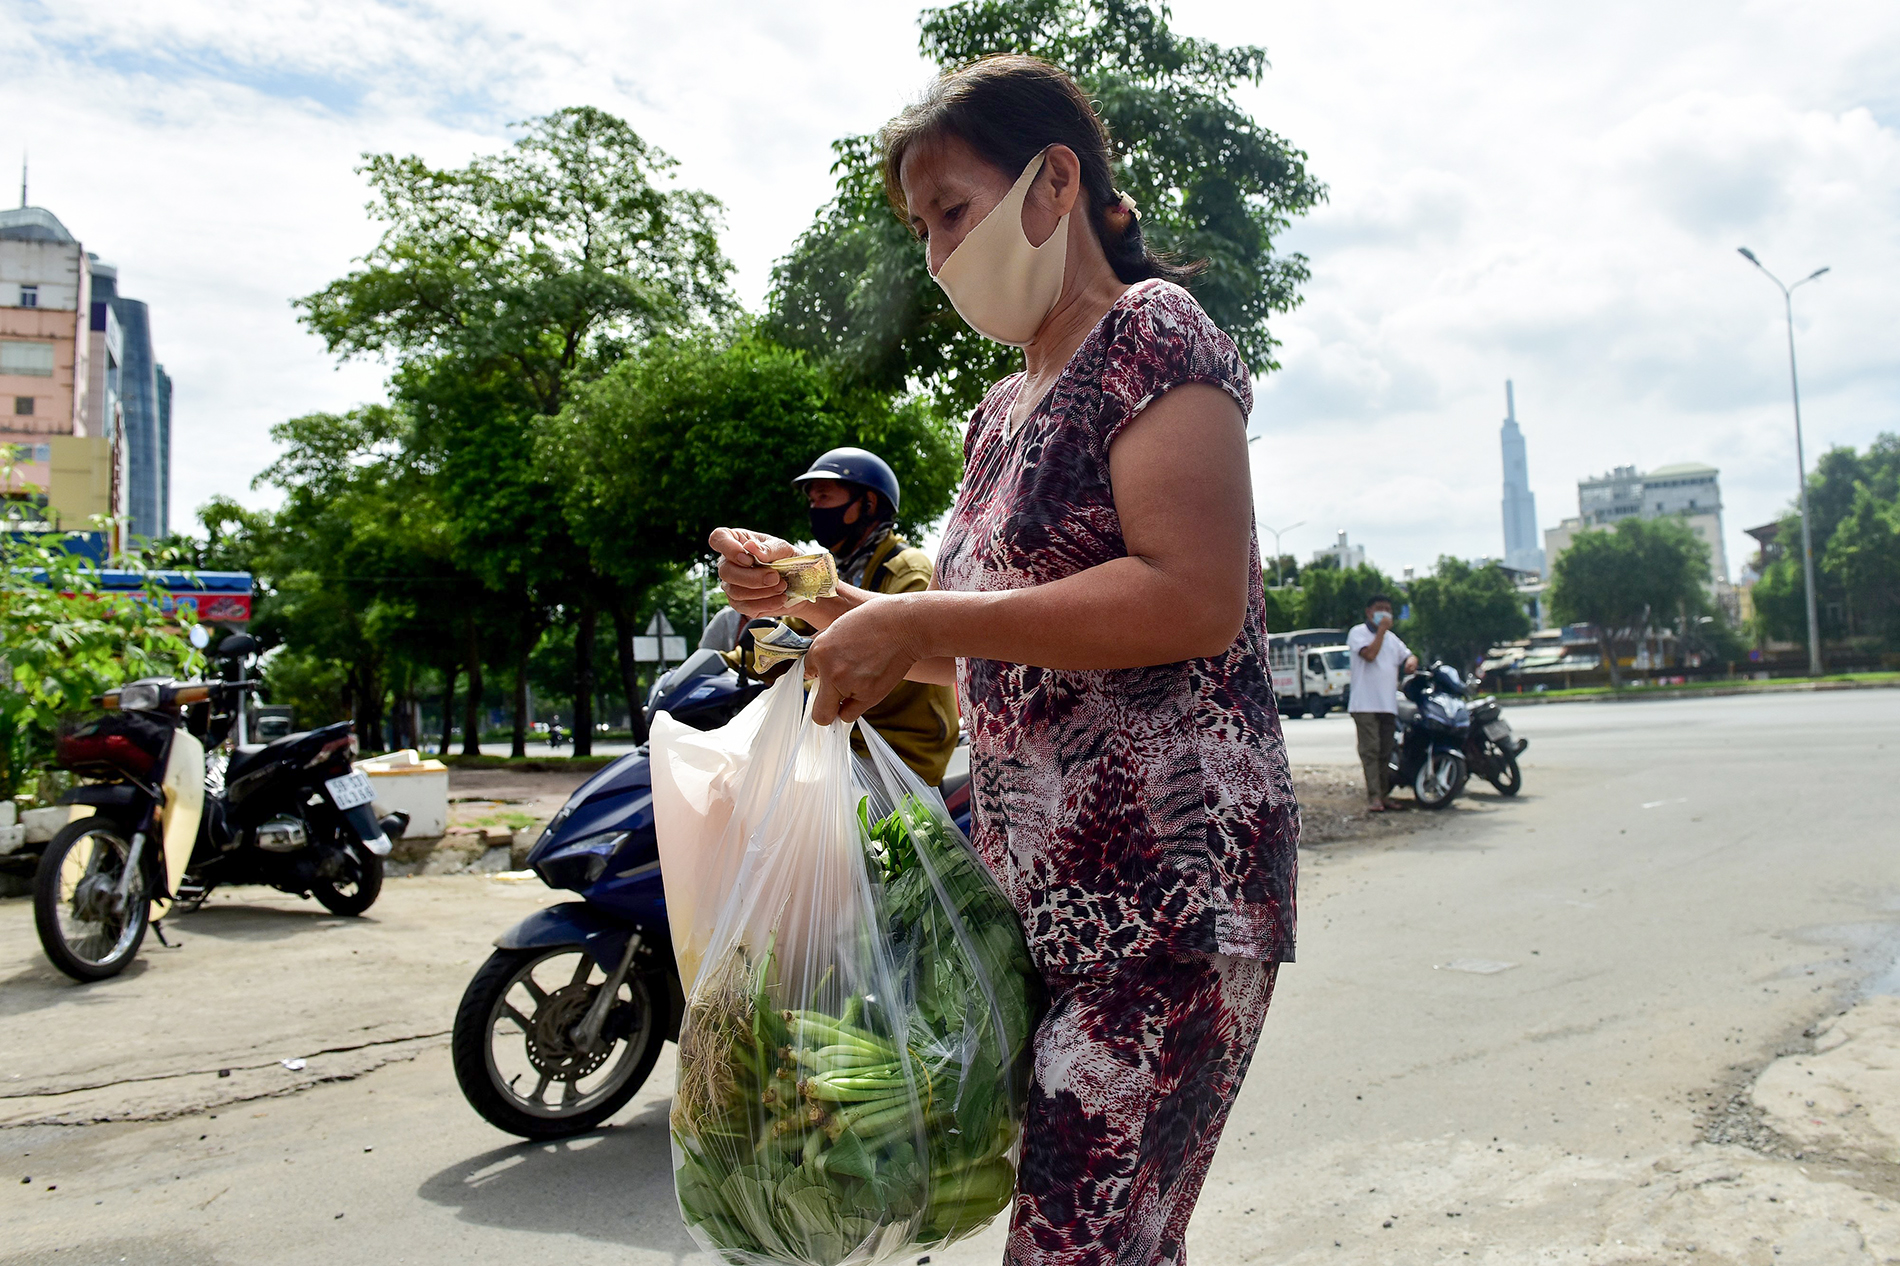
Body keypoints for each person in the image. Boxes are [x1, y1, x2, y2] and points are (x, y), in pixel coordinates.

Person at [708, 54, 1297, 1266]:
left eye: (950, 212)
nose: (933, 254)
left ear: (1054, 183)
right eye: (920, 228)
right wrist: (826, 604)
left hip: (1167, 895)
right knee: (1112, 1240)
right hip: (1035, 908)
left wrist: (922, 622)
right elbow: (997, 651)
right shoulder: (996, 412)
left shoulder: (1154, 336)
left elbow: (1188, 598)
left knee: (1078, 1248)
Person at [742, 447, 960, 786]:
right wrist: (739, 656)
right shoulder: (833, 571)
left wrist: (810, 660)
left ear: (869, 504)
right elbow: (795, 629)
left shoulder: (908, 570)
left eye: (825, 497)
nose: (815, 509)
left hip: (900, 751)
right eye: (812, 501)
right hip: (845, 740)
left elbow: (894, 658)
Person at [1346, 594, 1419, 812]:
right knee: (1371, 750)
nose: (1385, 613)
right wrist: (1381, 631)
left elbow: (1408, 655)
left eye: (1388, 609)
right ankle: (1374, 797)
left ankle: (1385, 795)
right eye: (1380, 608)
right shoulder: (1358, 633)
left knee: (1385, 751)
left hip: (1387, 704)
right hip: (1364, 704)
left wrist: (1411, 661)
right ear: (1369, 612)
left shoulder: (1392, 639)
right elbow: (1369, 655)